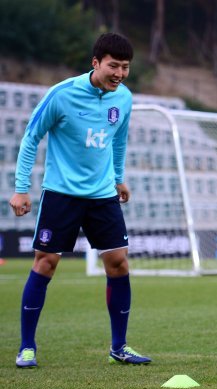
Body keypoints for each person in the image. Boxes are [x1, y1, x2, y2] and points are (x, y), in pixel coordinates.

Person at [9, 33, 152, 368]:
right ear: (95, 63)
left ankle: (120, 346)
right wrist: (20, 188)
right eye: (113, 66)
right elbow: (31, 137)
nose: (119, 73)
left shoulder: (124, 99)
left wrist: (118, 178)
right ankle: (27, 347)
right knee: (46, 263)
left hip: (102, 196)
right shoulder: (61, 95)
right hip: (61, 193)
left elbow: (119, 141)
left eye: (125, 67)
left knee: (118, 263)